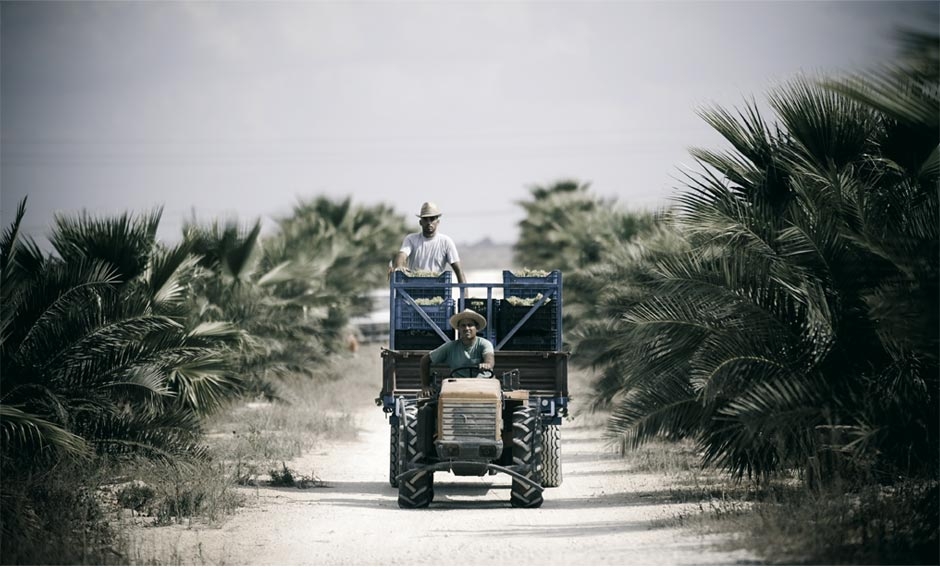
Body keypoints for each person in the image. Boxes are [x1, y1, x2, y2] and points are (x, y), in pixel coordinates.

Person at [419, 309, 494, 397]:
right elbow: (425, 360)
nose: (466, 328)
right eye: (463, 326)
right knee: (427, 409)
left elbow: (489, 359)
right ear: (458, 328)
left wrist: (487, 364)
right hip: (458, 387)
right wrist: (426, 386)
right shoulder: (450, 347)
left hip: (483, 385)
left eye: (470, 325)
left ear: (476, 328)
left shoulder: (484, 344)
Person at [390, 202, 467, 284]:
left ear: (438, 222)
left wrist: (465, 296)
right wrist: (399, 266)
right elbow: (402, 255)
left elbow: (459, 271)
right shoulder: (411, 239)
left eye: (432, 218)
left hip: (437, 289)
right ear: (420, 222)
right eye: (426, 219)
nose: (429, 222)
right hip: (414, 288)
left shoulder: (446, 242)